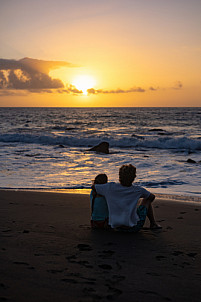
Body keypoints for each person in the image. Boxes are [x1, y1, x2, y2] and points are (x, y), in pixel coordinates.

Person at [91, 164, 161, 232]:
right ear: (134, 177)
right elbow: (152, 197)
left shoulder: (109, 187)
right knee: (146, 199)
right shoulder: (138, 190)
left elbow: (93, 187)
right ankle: (153, 223)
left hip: (115, 228)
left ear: (119, 176)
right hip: (134, 228)